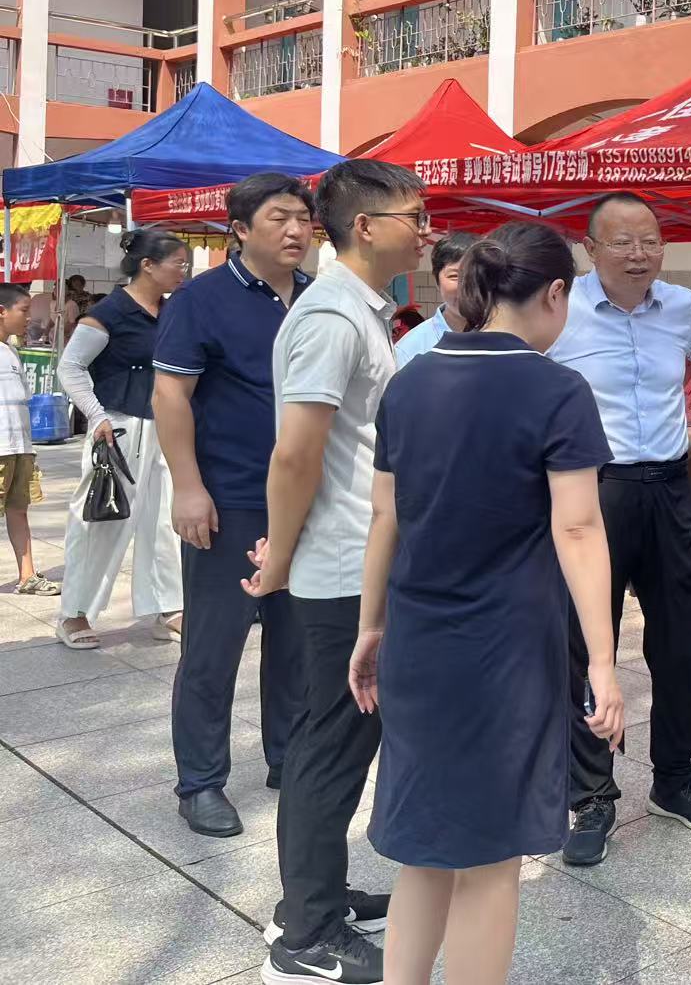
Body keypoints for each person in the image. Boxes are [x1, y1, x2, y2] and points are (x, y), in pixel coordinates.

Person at [351, 222, 625, 984]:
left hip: (416, 639)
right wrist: (604, 664)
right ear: (555, 293)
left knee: (425, 850)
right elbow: (578, 528)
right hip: (504, 655)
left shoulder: (410, 382)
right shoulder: (557, 390)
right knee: (491, 861)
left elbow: (385, 517)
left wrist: (370, 626)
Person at [248, 160, 429, 985]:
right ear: (365, 226)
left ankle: (312, 896)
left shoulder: (361, 309)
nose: (425, 231)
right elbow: (297, 453)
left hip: (356, 556)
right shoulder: (330, 316)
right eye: (414, 217)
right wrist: (281, 559)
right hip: (342, 567)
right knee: (333, 743)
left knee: (334, 739)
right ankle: (306, 936)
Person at [551, 192, 691, 866]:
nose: (639, 254)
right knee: (582, 647)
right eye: (622, 241)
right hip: (592, 492)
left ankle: (674, 780)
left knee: (680, 644)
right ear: (590, 249)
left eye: (650, 240)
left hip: (670, 488)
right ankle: (591, 796)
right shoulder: (560, 309)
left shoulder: (680, 306)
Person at [157, 177, 313, 837]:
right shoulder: (202, 300)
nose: (296, 230)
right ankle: (200, 781)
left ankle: (288, 758)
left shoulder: (317, 299)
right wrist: (188, 487)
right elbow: (170, 396)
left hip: (306, 500)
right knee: (214, 645)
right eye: (279, 218)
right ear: (241, 230)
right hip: (231, 500)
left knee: (297, 640)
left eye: (303, 218)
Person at [55, 229, 190, 648]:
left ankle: (167, 606)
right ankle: (74, 613)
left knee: (166, 519)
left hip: (167, 425)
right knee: (101, 522)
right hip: (119, 426)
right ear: (148, 265)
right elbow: (70, 367)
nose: (184, 271)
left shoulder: (171, 310)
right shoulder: (110, 312)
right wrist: (96, 415)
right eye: (178, 264)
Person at [0, 286, 50, 597]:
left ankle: (27, 576)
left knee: (19, 510)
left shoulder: (12, 352)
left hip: (20, 448)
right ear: (2, 311)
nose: (29, 317)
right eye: (24, 310)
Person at [394, 232, 474, 368]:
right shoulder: (409, 350)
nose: (466, 285)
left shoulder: (504, 338)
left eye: (476, 274)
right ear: (437, 281)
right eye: (454, 276)